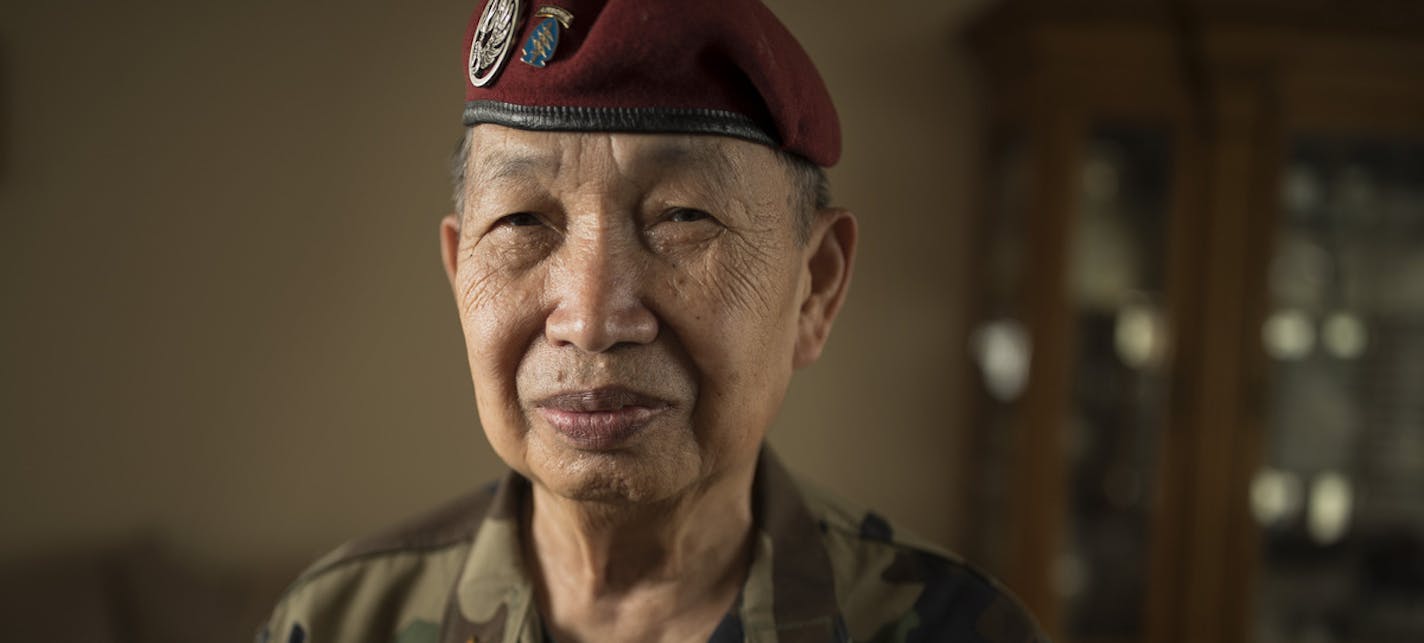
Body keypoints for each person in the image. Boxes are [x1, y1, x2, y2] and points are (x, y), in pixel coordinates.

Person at [260, 1, 1046, 641]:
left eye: (681, 216)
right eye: (525, 222)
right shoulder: (336, 623)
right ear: (461, 269)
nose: (592, 319)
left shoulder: (959, 630)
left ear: (816, 286)